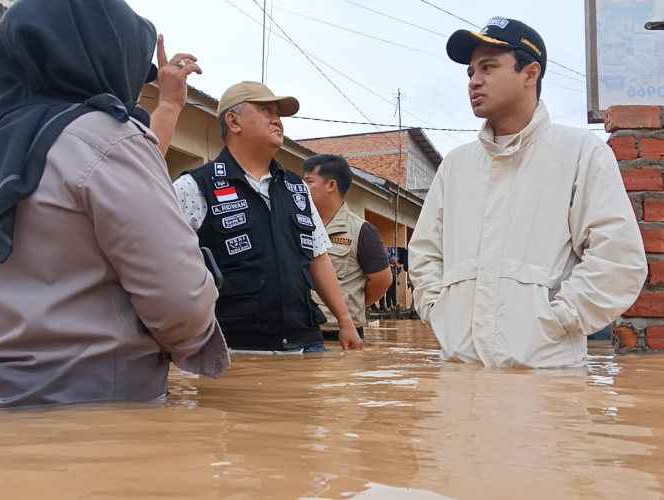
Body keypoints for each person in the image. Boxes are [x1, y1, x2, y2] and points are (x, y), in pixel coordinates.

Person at [0, 0, 229, 409]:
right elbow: (181, 305)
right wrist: (194, 341)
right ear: (104, 53)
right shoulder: (109, 138)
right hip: (104, 405)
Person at [408, 17, 647, 368]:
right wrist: (437, 309)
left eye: (488, 67)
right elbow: (425, 252)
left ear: (530, 73)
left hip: (548, 376)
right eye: (471, 72)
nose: (474, 80)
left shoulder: (580, 152)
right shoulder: (456, 166)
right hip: (459, 373)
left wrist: (559, 319)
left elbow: (618, 259)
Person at [174, 82, 364, 353]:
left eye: (278, 113)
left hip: (306, 345)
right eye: (266, 110)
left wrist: (345, 321)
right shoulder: (194, 187)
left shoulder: (297, 188)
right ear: (234, 121)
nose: (277, 120)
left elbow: (319, 259)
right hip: (234, 350)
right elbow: (162, 264)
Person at [302, 154, 391, 341]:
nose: (302, 188)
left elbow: (382, 281)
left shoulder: (361, 230)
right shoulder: (298, 226)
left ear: (331, 185)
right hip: (301, 331)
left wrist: (350, 306)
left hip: (341, 335)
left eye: (309, 181)